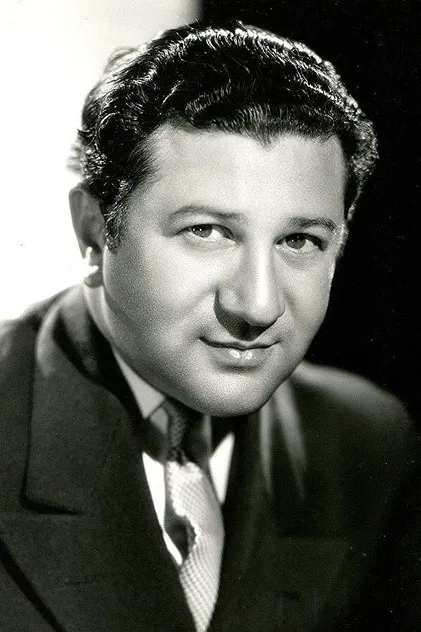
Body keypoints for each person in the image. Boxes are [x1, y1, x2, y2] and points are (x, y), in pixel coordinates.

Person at [0, 21, 415, 632]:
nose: (258, 305)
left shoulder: (367, 442)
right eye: (208, 231)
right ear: (93, 231)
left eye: (300, 240)